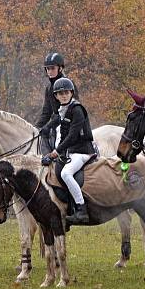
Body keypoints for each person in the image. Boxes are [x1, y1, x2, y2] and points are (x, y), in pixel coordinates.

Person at [40, 78, 96, 225]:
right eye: (60, 93)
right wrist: (43, 129)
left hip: (83, 152)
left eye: (66, 93)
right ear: (56, 97)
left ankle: (81, 209)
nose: (64, 95)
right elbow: (56, 120)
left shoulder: (77, 109)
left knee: (66, 173)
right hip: (72, 152)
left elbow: (72, 136)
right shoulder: (64, 109)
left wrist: (54, 153)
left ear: (71, 93)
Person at [34, 52, 78, 154]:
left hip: (69, 123)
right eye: (48, 69)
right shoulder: (49, 88)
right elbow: (46, 112)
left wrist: (49, 126)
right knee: (42, 134)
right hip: (56, 122)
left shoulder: (68, 84)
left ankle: (51, 158)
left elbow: (70, 110)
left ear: (60, 68)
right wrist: (36, 128)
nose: (49, 71)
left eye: (52, 68)